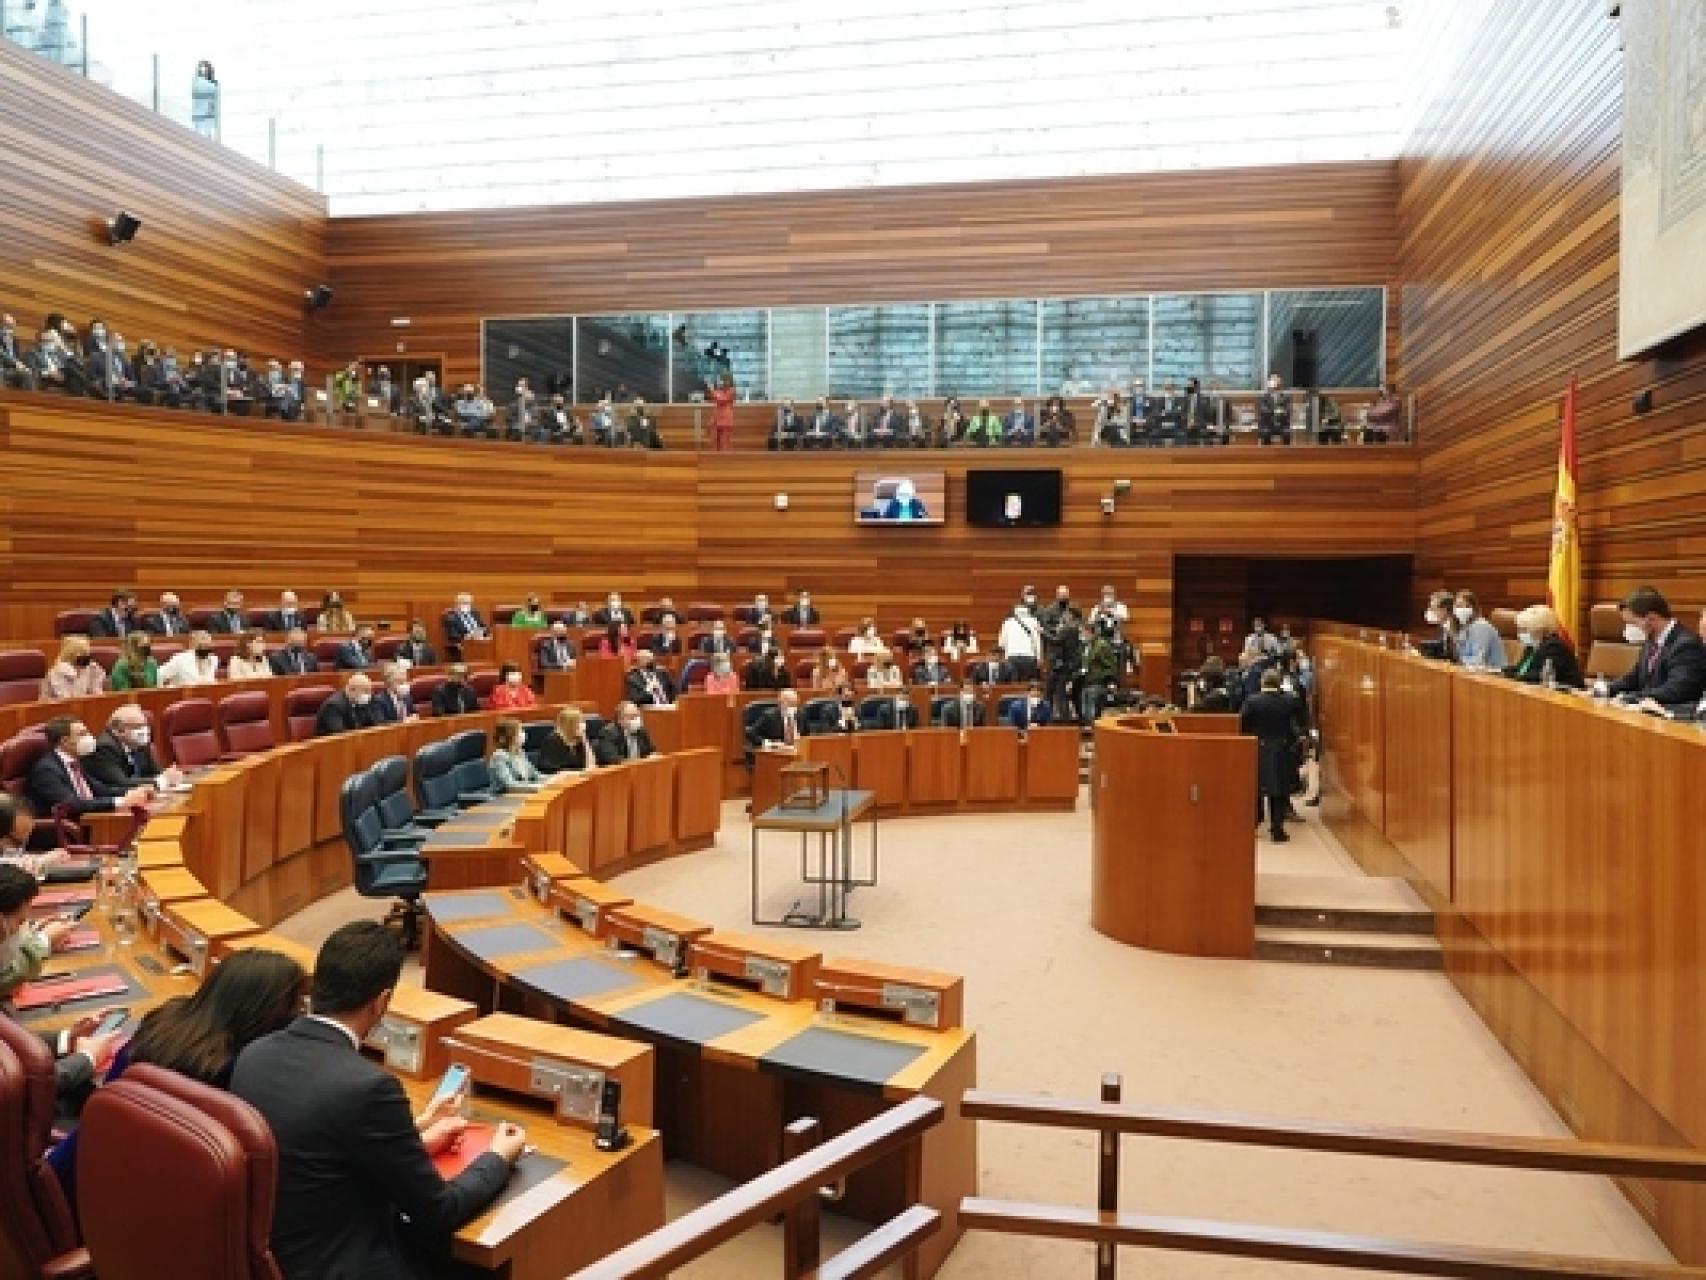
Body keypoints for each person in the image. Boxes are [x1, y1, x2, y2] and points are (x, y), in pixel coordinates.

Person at [230, 922, 525, 1280]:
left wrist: (416, 1136)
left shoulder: (254, 1054)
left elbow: (321, 1149)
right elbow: (439, 1211)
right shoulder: (369, 1088)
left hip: (276, 1260)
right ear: (381, 1002)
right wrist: (498, 1157)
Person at [47, 947, 307, 1208]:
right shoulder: (235, 1069)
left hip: (77, 1168)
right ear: (273, 1012)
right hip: (122, 1204)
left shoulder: (164, 1019)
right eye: (298, 1006)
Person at [27, 717, 152, 821]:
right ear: (65, 741)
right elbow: (71, 804)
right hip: (65, 827)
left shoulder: (75, 761)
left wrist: (135, 791)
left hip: (90, 818)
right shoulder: (46, 770)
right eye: (82, 734)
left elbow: (101, 789)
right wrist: (119, 802)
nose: (89, 737)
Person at [1609, 586, 1706, 710]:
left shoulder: (1685, 645)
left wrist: (1633, 698)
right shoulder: (1650, 641)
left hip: (1674, 718)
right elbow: (1633, 678)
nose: (1628, 628)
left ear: (1651, 618)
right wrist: (1606, 689)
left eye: (1632, 623)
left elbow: (1676, 689)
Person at [1241, 669, 1306, 842]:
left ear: (1262, 682)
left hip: (1258, 748)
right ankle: (1277, 830)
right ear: (1278, 684)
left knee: (1256, 789)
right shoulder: (1289, 701)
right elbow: (1297, 725)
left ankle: (1254, 824)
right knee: (1278, 790)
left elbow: (1243, 724)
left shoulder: (1252, 701)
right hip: (1282, 749)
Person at [87, 704, 180, 793]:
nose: (145, 731)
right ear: (119, 731)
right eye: (137, 726)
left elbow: (155, 773)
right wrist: (161, 781)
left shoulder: (140, 744)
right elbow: (121, 783)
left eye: (145, 725)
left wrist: (169, 776)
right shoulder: (104, 748)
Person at [1503, 604, 1584, 688]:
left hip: (1566, 696)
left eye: (1524, 629)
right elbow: (1521, 669)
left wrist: (1516, 676)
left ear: (1540, 629)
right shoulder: (1532, 646)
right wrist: (1501, 671)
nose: (1519, 634)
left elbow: (1540, 676)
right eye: (1519, 629)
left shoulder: (1554, 646)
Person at [42, 634, 107, 700]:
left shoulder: (90, 668)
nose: (87, 657)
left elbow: (98, 696)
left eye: (87, 654)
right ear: (72, 655)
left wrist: (96, 676)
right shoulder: (58, 672)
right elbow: (67, 700)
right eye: (83, 654)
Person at [1451, 591, 1505, 670]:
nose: (1461, 609)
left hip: (1493, 673)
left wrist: (1457, 661)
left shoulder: (1481, 626)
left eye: (1467, 606)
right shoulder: (1463, 626)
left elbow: (1478, 660)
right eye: (1458, 606)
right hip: (1473, 670)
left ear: (1474, 609)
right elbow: (1460, 655)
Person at [538, 707, 600, 774]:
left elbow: (591, 765)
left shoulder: (579, 738)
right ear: (570, 724)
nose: (584, 725)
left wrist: (584, 739)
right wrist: (577, 773)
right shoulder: (552, 740)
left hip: (578, 778)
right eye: (580, 721)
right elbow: (549, 769)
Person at [488, 719, 544, 793]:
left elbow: (535, 774)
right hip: (504, 798)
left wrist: (554, 778)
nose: (522, 734)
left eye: (522, 731)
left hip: (522, 792)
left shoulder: (520, 752)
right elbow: (510, 786)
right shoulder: (499, 757)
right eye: (519, 732)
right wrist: (537, 787)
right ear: (506, 737)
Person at [316, 674, 380, 737]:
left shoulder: (360, 701)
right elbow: (341, 735)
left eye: (369, 691)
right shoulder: (333, 707)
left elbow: (374, 724)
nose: (369, 695)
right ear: (352, 690)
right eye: (366, 691)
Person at [998, 601, 1044, 680]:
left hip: (1012, 656)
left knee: (1014, 685)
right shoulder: (1034, 621)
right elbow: (1037, 641)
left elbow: (1001, 643)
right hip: (1029, 657)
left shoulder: (1007, 623)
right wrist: (1039, 657)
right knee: (1028, 684)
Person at [1257, 373, 1293, 445]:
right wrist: (1275, 411)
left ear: (1280, 382)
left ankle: (1287, 453)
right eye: (1272, 379)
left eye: (1276, 379)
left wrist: (1281, 413)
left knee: (1287, 433)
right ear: (1268, 383)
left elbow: (1287, 410)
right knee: (1265, 433)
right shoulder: (1263, 398)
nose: (1274, 381)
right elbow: (1263, 410)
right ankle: (1266, 453)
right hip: (1268, 424)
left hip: (1282, 424)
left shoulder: (1285, 397)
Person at [708, 372, 736, 451]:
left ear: (728, 381)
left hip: (725, 420)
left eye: (722, 380)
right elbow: (715, 399)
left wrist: (712, 390)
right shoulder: (719, 391)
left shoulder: (732, 390)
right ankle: (715, 460)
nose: (721, 382)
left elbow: (722, 400)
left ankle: (725, 461)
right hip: (716, 419)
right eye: (720, 380)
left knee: (725, 443)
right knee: (715, 441)